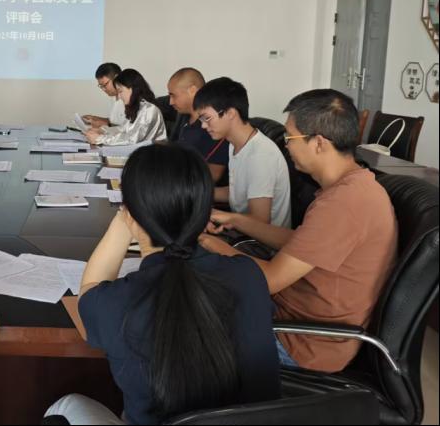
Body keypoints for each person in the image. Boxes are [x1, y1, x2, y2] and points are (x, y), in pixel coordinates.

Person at [45, 143, 279, 424]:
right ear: (205, 214)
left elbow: (90, 289)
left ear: (131, 215)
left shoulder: (114, 303)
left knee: (64, 407)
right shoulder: (248, 275)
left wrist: (123, 218)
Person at [199, 89, 397, 373]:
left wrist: (213, 244)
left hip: (300, 342)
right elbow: (301, 242)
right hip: (287, 314)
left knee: (186, 326)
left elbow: (269, 280)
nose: (286, 146)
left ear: (319, 143)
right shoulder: (351, 188)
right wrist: (236, 220)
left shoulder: (344, 203)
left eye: (289, 138)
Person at [194, 77, 291, 228]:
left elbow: (260, 221)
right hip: (242, 231)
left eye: (207, 118)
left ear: (230, 113)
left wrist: (213, 215)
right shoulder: (235, 144)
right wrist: (195, 193)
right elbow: (237, 194)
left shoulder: (260, 155)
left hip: (260, 240)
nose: (203, 126)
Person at [167, 67, 228, 182]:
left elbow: (213, 175)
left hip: (189, 186)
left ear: (192, 90)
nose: (170, 102)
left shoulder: (213, 125)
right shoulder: (183, 116)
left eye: (173, 95)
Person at [83, 69, 167, 146]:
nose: (119, 97)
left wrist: (100, 139)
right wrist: (102, 131)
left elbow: (132, 139)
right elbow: (123, 129)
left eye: (120, 91)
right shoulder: (136, 108)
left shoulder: (150, 110)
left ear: (133, 88)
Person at [81, 62, 126, 129]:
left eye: (105, 85)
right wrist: (94, 118)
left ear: (116, 78)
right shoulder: (113, 96)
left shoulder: (128, 98)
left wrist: (105, 124)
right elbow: (115, 121)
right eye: (101, 86)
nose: (103, 89)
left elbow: (130, 128)